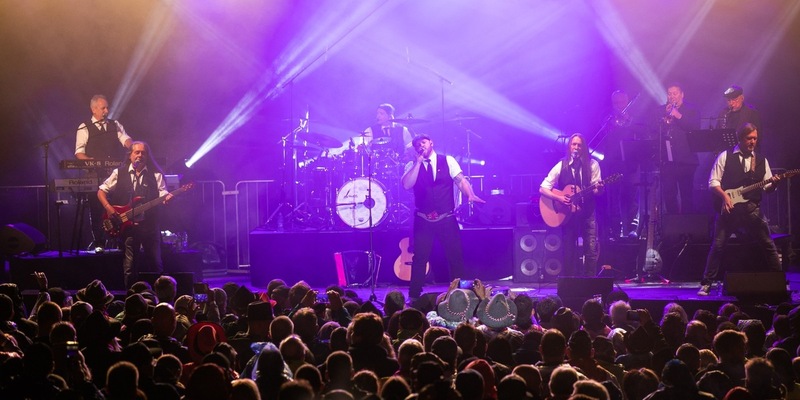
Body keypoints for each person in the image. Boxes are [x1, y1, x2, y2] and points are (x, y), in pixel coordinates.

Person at [697, 123, 782, 296]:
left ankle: (779, 281)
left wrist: (774, 184)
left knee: (768, 245)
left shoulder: (761, 160)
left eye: (755, 138)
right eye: (749, 138)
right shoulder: (725, 156)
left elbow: (767, 188)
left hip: (752, 209)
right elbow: (713, 182)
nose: (752, 142)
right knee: (718, 246)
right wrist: (725, 197)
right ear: (740, 138)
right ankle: (707, 283)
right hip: (729, 211)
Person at [401, 134, 483, 301]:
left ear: (431, 142)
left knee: (455, 256)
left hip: (446, 217)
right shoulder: (411, 165)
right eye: (417, 145)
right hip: (423, 219)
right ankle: (414, 295)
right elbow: (407, 184)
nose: (420, 146)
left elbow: (460, 180)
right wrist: (417, 162)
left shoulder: (448, 160)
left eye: (423, 143)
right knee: (420, 258)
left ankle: (460, 293)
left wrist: (470, 195)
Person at [97, 141, 172, 288]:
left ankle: (158, 298)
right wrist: (109, 207)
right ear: (130, 155)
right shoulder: (119, 173)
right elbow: (101, 191)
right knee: (130, 267)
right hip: (129, 228)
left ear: (147, 156)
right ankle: (131, 297)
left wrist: (167, 198)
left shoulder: (156, 175)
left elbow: (163, 193)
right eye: (136, 152)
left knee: (155, 264)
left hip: (149, 227)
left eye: (143, 152)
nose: (140, 155)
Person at [75, 95, 134, 252]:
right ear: (93, 109)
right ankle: (99, 242)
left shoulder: (115, 125)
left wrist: (132, 147)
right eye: (103, 108)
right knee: (96, 209)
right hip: (94, 175)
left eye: (107, 108)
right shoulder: (84, 127)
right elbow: (79, 153)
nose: (106, 111)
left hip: (114, 174)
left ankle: (120, 241)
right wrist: (91, 161)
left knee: (120, 206)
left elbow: (125, 139)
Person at [539, 133, 603, 277]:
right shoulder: (562, 165)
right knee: (569, 249)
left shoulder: (592, 165)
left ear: (584, 148)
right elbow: (543, 188)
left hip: (587, 211)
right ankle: (569, 282)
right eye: (574, 144)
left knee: (591, 248)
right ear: (569, 147)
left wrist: (599, 189)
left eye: (579, 145)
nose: (576, 147)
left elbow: (597, 191)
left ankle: (590, 282)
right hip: (568, 214)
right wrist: (559, 198)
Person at [654, 83, 700, 214]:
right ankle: (672, 228)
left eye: (675, 93)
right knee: (669, 195)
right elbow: (655, 131)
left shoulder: (692, 110)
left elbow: (694, 128)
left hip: (687, 160)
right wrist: (665, 118)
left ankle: (686, 230)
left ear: (682, 94)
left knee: (687, 196)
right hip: (667, 161)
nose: (672, 96)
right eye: (669, 93)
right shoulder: (661, 110)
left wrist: (677, 115)